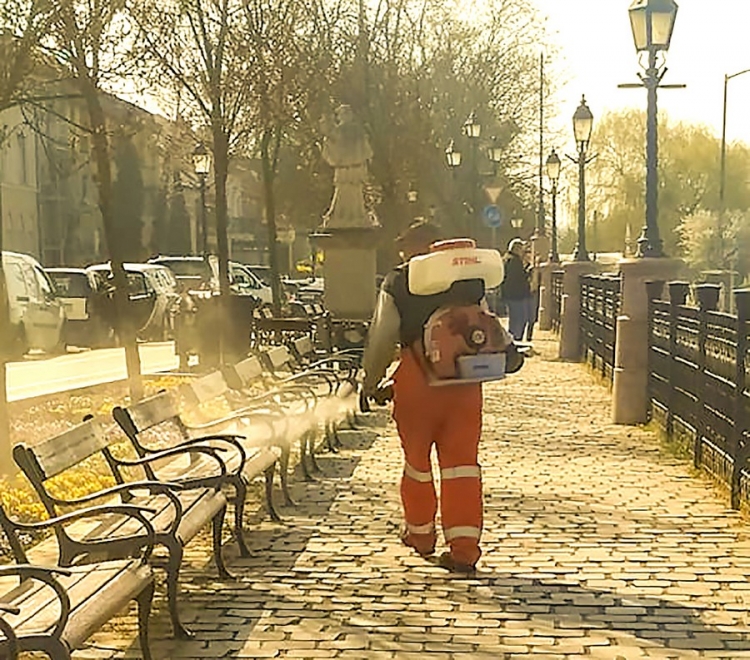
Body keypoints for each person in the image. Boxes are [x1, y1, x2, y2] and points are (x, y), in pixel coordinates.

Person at [362, 220, 484, 574]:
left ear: (414, 248)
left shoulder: (398, 281)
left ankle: (421, 535)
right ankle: (464, 549)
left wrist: (370, 380)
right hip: (464, 381)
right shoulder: (469, 278)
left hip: (417, 379)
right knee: (462, 466)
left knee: (417, 464)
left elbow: (383, 335)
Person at [502, 238, 531, 341]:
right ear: (517, 248)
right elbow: (520, 277)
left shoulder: (507, 259)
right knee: (519, 319)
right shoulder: (515, 261)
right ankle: (515, 341)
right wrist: (529, 269)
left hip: (510, 295)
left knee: (515, 319)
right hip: (517, 296)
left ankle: (512, 340)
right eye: (521, 248)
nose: (523, 250)